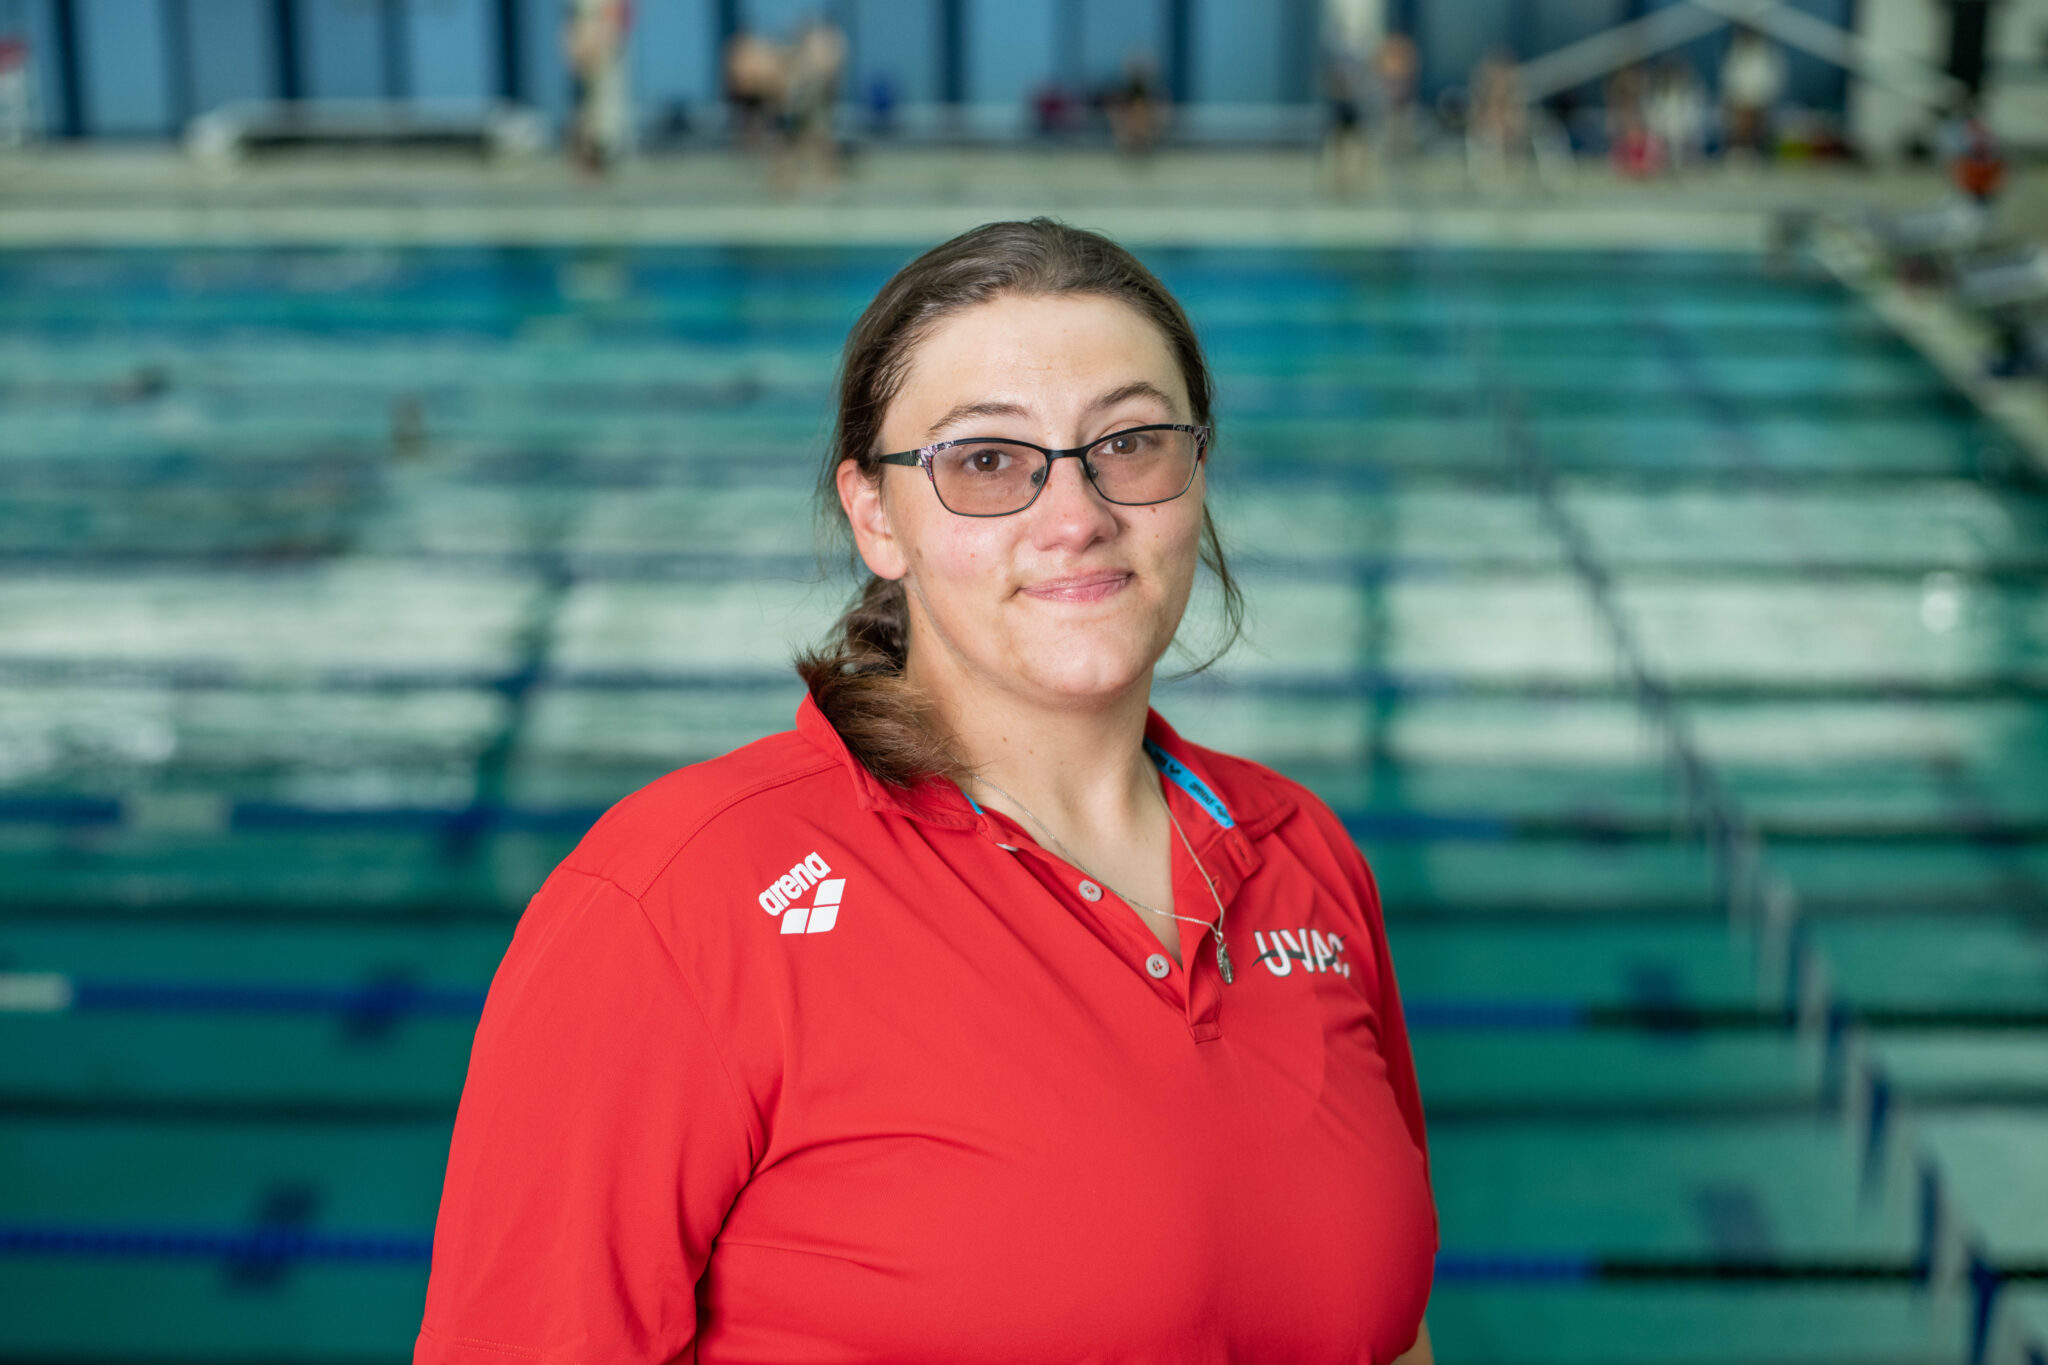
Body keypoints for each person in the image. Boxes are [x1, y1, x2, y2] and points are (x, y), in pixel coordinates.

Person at [414, 219, 1438, 1364]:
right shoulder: (677, 903)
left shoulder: (1302, 856)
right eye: (985, 461)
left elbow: (1386, 1334)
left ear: (1195, 472)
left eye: (1131, 442)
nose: (1075, 517)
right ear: (874, 517)